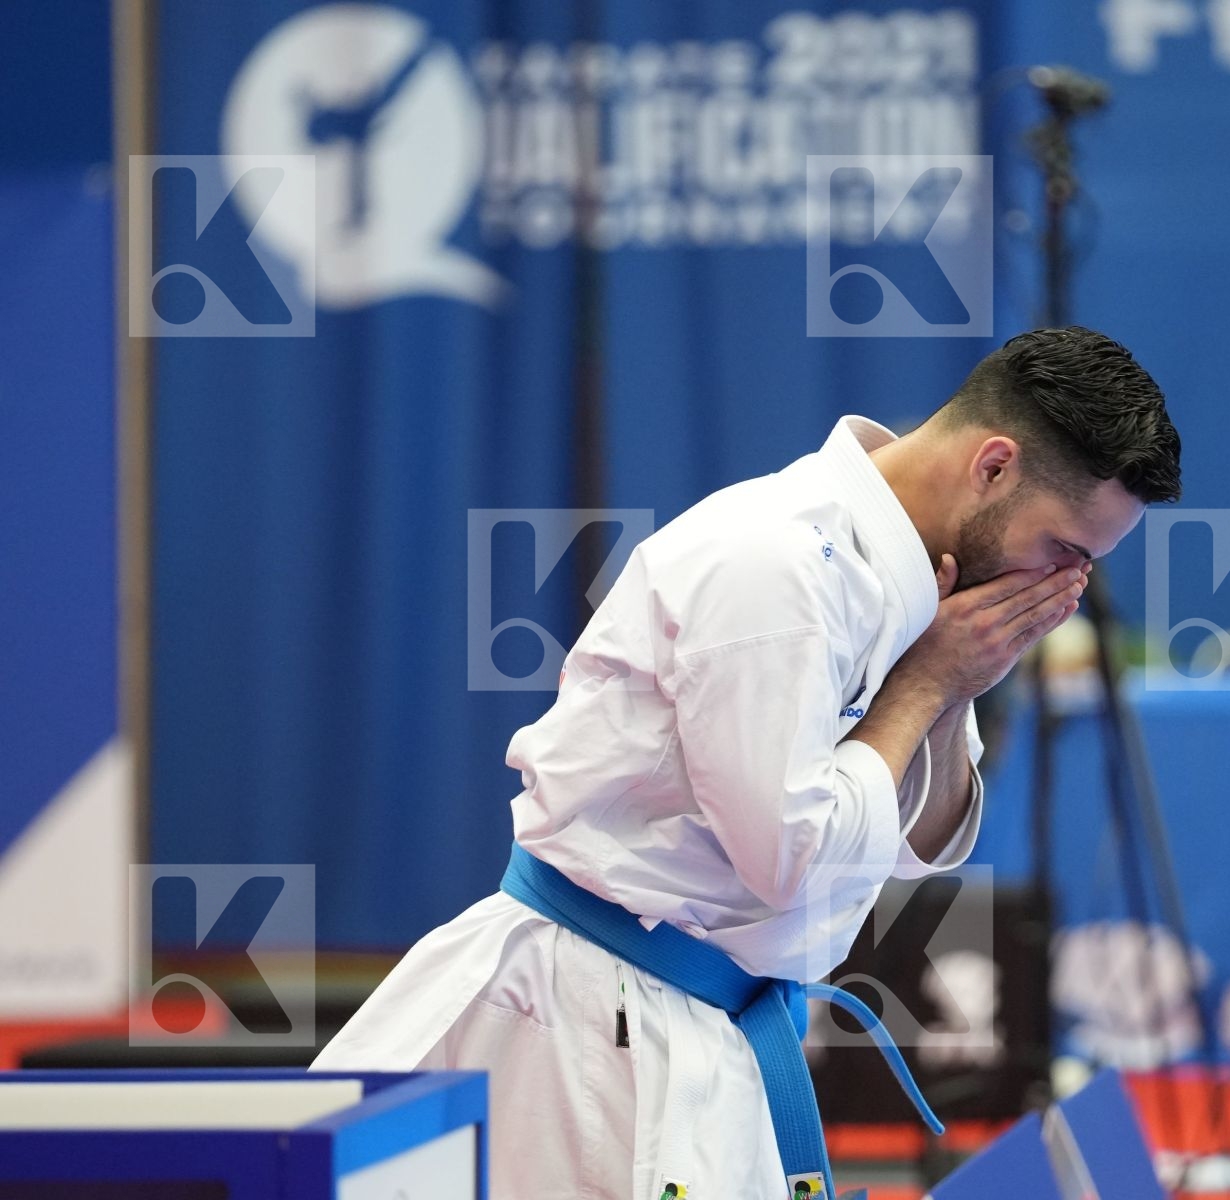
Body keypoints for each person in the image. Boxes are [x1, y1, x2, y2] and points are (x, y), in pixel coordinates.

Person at [312, 327, 1183, 1198]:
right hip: (595, 1016)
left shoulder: (923, 583)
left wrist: (958, 687)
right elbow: (788, 862)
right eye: (1066, 551)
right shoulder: (777, 565)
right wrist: (924, 686)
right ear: (993, 467)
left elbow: (919, 841)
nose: (1065, 588)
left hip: (711, 1017)